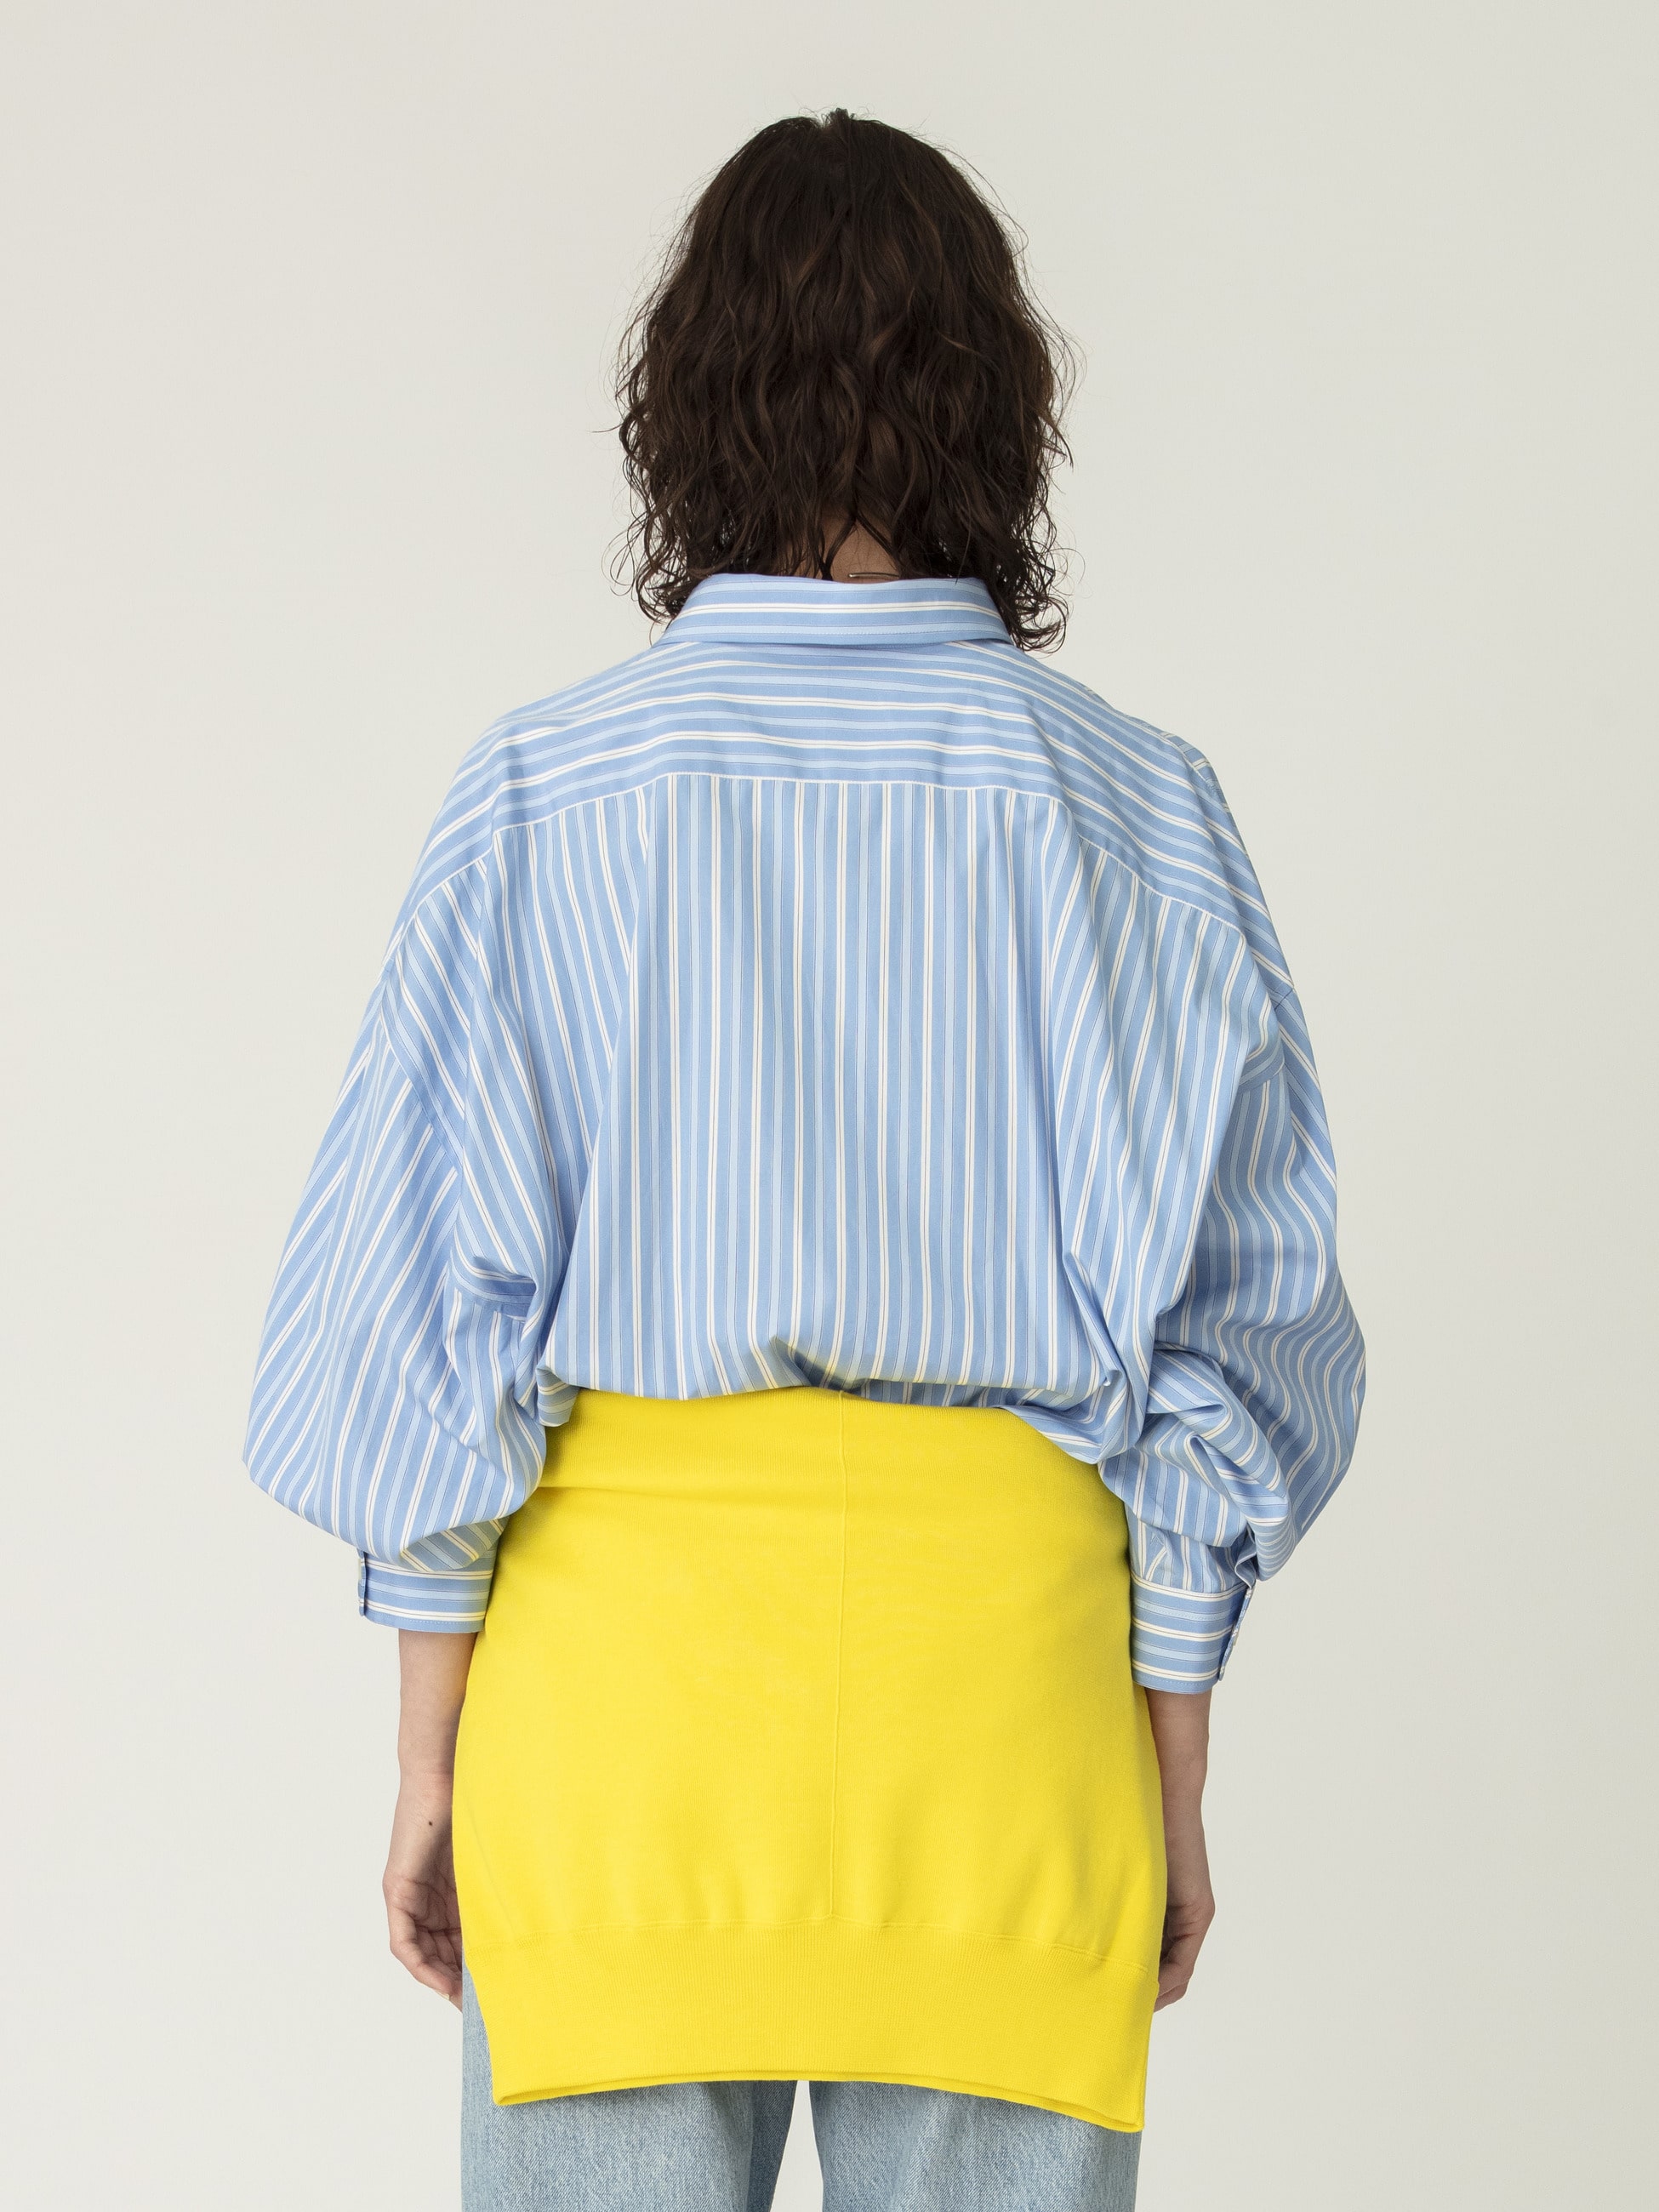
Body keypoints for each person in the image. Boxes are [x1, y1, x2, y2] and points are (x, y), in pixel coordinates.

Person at [243, 108, 1364, 2212]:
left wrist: (427, 1760)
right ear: (1001, 410)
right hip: (1008, 1710)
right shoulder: (1142, 812)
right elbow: (1239, 1337)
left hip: (623, 1722)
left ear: (687, 409)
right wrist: (1172, 1758)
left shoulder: (546, 793)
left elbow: (425, 1314)